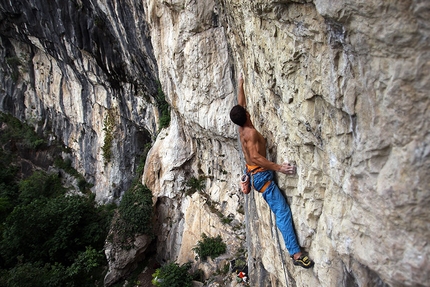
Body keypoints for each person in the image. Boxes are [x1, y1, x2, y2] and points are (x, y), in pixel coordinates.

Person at [229, 74, 314, 269]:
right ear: (247, 115)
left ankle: (295, 252)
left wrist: (241, 83)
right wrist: (280, 168)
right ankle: (296, 254)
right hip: (260, 175)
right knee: (282, 212)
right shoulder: (250, 132)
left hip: (252, 172)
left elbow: (240, 102)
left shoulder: (242, 128)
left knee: (281, 210)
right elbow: (256, 158)